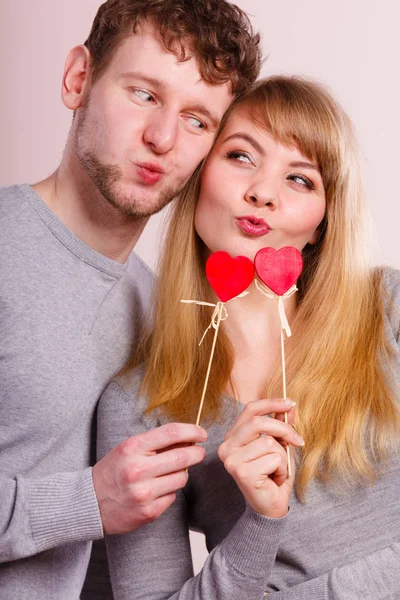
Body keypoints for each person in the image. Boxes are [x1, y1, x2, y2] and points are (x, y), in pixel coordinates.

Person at [97, 75, 400, 599]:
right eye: (240, 156)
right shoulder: (143, 405)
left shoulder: (388, 307)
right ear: (198, 177)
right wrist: (260, 523)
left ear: (322, 224)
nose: (261, 192)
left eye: (301, 180)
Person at [0, 1, 262, 598]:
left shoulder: (160, 315)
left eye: (197, 120)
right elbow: (99, 503)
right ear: (78, 79)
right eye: (143, 94)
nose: (162, 138)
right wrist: (87, 500)